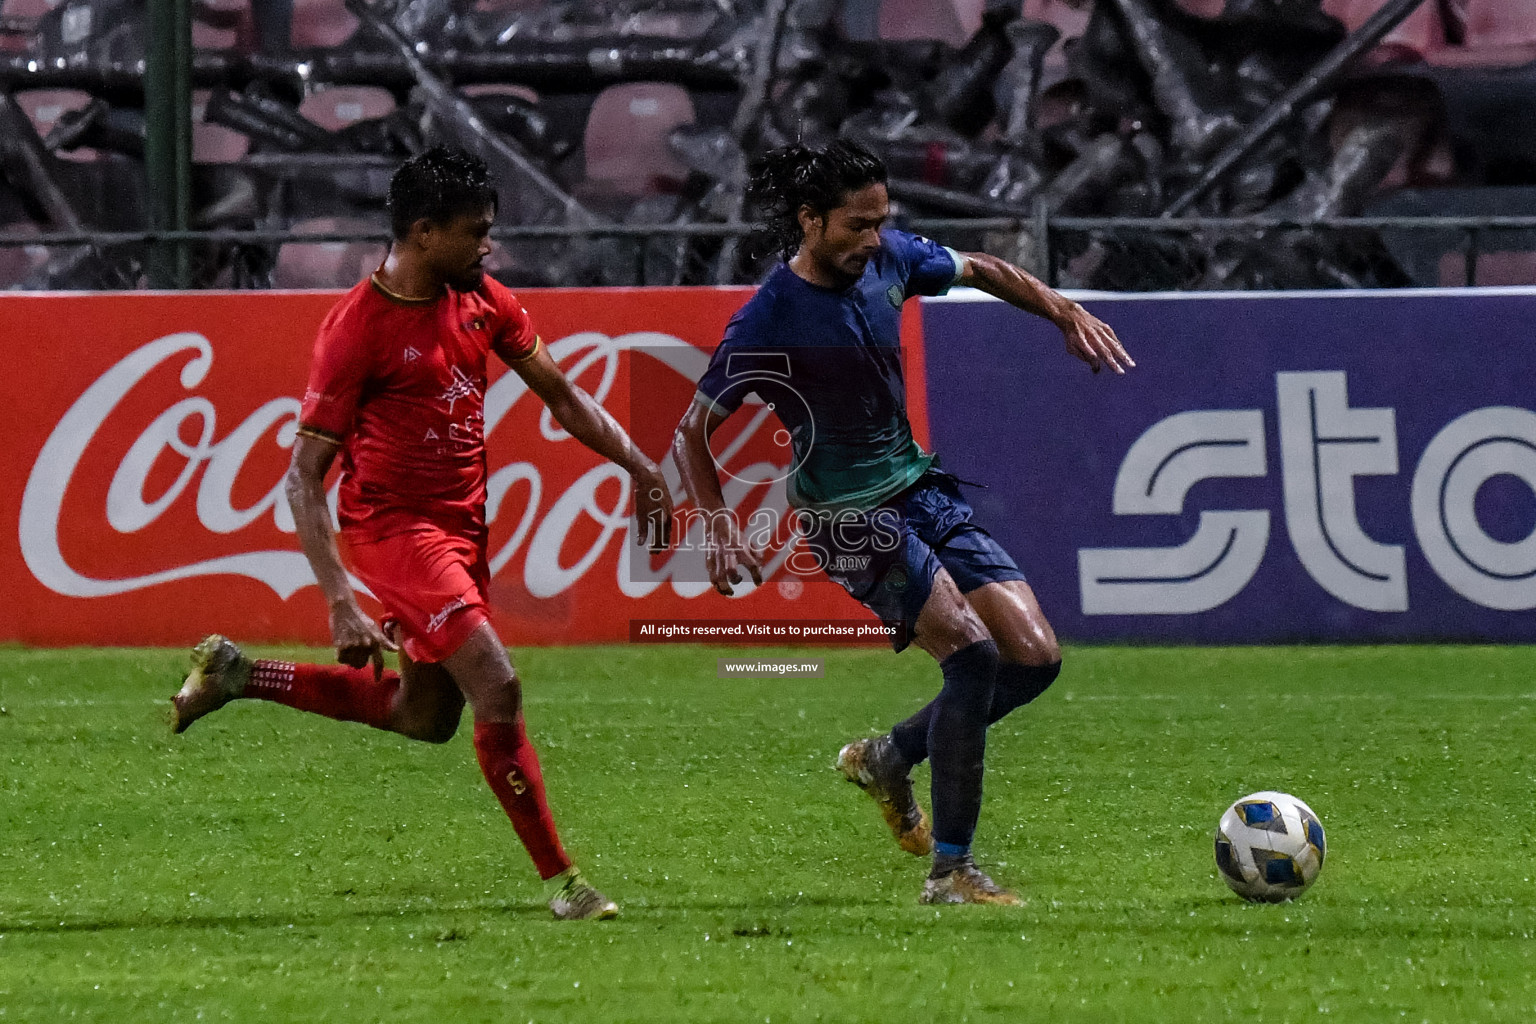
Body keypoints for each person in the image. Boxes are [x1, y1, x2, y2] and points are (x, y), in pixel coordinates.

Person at [171, 146, 672, 921]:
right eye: (475, 233)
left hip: (464, 529)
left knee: (426, 718)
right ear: (423, 232)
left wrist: (643, 468)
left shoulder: (486, 302)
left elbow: (565, 397)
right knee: (497, 683)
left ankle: (240, 676)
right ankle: (565, 886)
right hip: (394, 533)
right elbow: (304, 476)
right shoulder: (357, 330)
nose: (488, 246)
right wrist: (339, 598)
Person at [671, 139, 1131, 905]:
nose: (874, 239)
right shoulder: (768, 320)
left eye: (882, 221)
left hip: (919, 490)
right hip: (846, 517)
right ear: (810, 221)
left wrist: (1063, 309)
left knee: (1036, 657)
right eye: (857, 225)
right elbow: (692, 431)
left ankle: (891, 755)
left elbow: (980, 267)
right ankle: (951, 871)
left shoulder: (889, 263)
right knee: (973, 655)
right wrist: (717, 529)